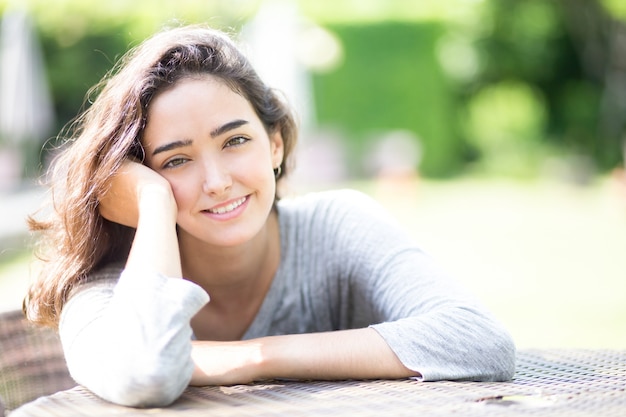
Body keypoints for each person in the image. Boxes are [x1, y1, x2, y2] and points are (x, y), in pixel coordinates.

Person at [24, 24, 516, 408]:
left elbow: (478, 340)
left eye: (235, 141)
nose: (216, 181)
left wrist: (255, 357)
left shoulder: (337, 225)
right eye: (175, 160)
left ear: (274, 144)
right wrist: (154, 204)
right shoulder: (107, 287)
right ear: (135, 179)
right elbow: (146, 372)